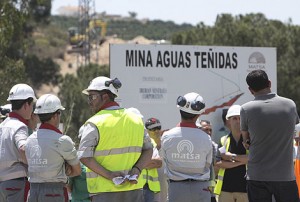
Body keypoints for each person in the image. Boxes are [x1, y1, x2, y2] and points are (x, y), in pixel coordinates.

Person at [78, 76, 153, 202]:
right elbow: (148, 150)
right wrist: (137, 169)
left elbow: (84, 157)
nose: (89, 101)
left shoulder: (94, 123)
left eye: (92, 97)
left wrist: (109, 175)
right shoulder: (136, 119)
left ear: (105, 96)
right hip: (134, 189)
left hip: (104, 191)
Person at [240, 69, 299, 202]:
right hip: (285, 176)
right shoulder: (290, 104)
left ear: (250, 90)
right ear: (269, 83)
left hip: (257, 175)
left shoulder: (246, 109)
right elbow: (295, 128)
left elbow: (246, 140)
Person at [25, 94, 81, 202]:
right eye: (59, 113)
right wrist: (66, 170)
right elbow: (77, 170)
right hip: (54, 193)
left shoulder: (29, 140)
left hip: (32, 192)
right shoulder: (62, 140)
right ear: (55, 115)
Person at [161, 92, 213, 202]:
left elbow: (165, 160)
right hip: (201, 189)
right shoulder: (206, 138)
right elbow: (208, 164)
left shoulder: (167, 136)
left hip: (176, 189)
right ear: (199, 114)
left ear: (180, 110)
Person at [0, 83, 36, 202]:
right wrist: (32, 165)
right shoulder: (19, 126)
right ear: (26, 105)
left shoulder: (3, 125)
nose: (32, 110)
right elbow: (23, 148)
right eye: (32, 105)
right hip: (16, 184)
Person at [214, 105, 248, 202]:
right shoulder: (223, 140)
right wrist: (242, 161)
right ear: (228, 120)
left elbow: (252, 158)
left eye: (240, 118)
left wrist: (231, 157)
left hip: (245, 190)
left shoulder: (250, 139)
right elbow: (219, 163)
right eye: (234, 118)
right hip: (225, 190)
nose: (238, 121)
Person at [144, 117, 166, 202]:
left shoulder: (166, 145)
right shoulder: (145, 146)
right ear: (147, 131)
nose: (156, 131)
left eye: (158, 128)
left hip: (165, 188)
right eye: (153, 129)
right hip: (150, 189)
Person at [197, 119, 218, 202]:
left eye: (210, 130)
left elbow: (216, 165)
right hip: (195, 187)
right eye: (206, 130)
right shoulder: (193, 145)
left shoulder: (214, 146)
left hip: (210, 190)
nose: (209, 132)